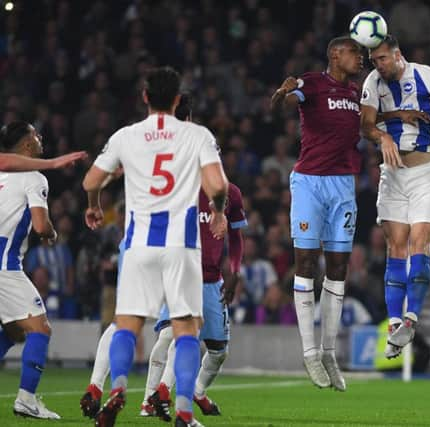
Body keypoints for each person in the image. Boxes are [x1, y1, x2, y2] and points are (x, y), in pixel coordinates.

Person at [82, 66, 228, 427]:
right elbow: (218, 186)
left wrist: (94, 204)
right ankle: (181, 410)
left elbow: (91, 179)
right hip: (181, 246)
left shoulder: (125, 136)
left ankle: (117, 386)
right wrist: (219, 210)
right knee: (186, 329)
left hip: (138, 245)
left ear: (145, 97)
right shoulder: (197, 135)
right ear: (178, 99)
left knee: (126, 325)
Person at [360, 35, 430, 359]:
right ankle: (395, 324)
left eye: (381, 58)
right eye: (373, 60)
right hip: (392, 174)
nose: (377, 65)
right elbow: (364, 124)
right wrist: (383, 136)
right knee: (395, 246)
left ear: (397, 54)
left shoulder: (428, 75)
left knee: (420, 242)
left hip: (426, 172)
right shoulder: (373, 82)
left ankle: (411, 318)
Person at [270, 36, 364, 391]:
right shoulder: (311, 82)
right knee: (306, 263)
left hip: (343, 186)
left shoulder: (356, 93)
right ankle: (309, 352)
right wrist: (284, 93)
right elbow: (287, 102)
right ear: (335, 55)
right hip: (309, 184)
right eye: (355, 52)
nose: (361, 57)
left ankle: (328, 352)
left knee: (339, 267)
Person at [140, 183, 246, 421]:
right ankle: (154, 396)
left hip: (212, 281)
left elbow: (236, 236)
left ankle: (197, 392)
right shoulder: (180, 185)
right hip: (182, 272)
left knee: (219, 352)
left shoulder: (231, 193)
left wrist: (235, 271)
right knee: (173, 335)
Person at [0, 121, 60, 419]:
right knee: (40, 328)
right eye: (35, 134)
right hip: (4, 266)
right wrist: (50, 233)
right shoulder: (33, 178)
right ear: (26, 145)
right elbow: (39, 224)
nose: (39, 138)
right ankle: (26, 399)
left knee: (12, 331)